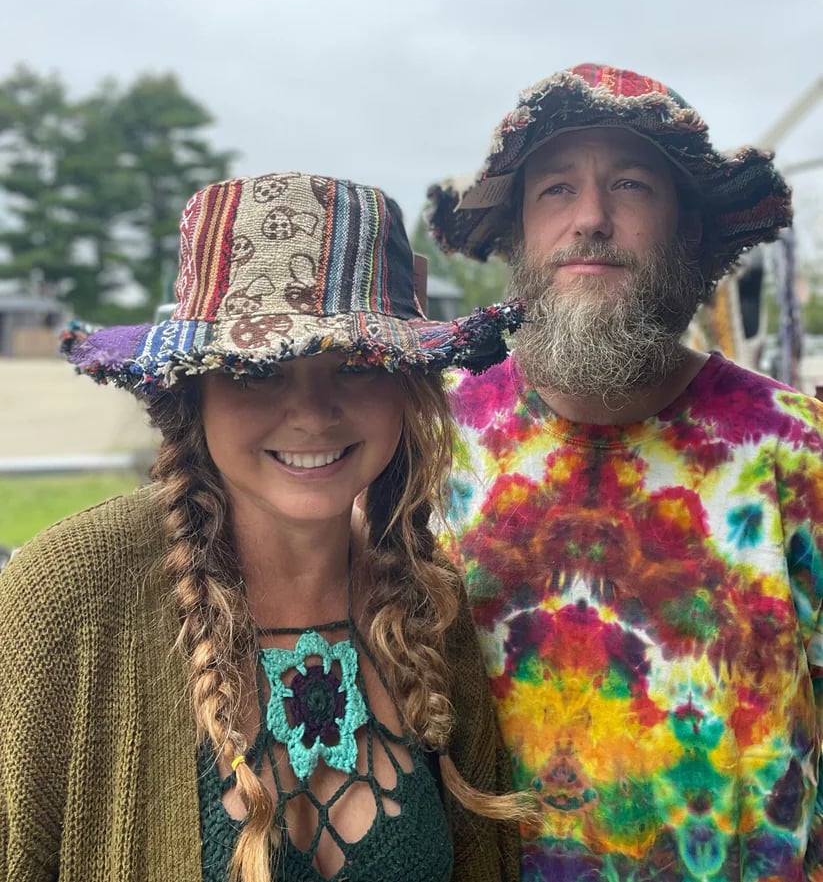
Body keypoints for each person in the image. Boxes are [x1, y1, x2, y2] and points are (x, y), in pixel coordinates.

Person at [0, 171, 531, 882]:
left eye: (356, 366)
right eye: (256, 371)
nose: (311, 414)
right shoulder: (67, 598)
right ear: (190, 392)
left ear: (407, 388)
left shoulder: (430, 603)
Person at [426, 63, 823, 881]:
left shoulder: (795, 448)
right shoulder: (433, 443)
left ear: (687, 229)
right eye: (555, 189)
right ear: (516, 234)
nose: (590, 219)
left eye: (631, 184)